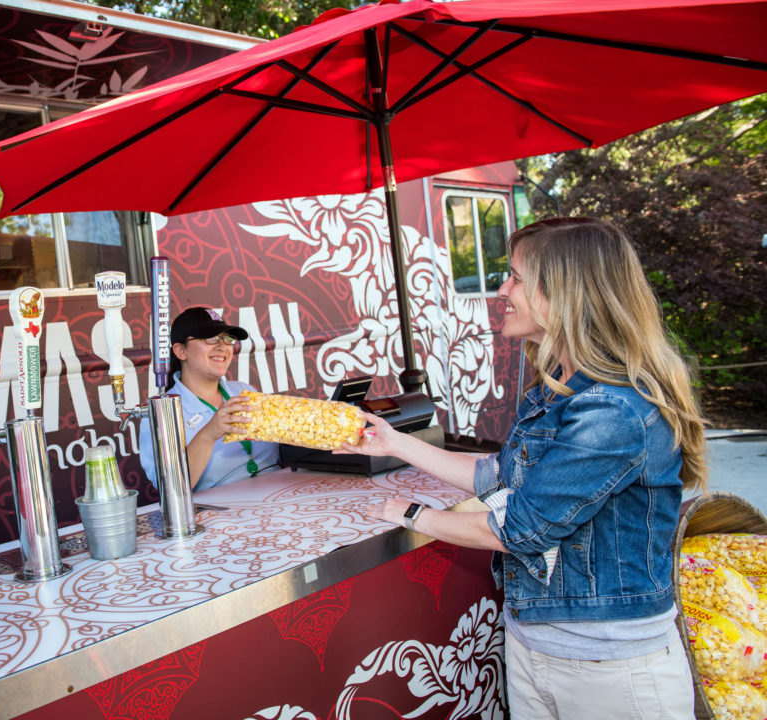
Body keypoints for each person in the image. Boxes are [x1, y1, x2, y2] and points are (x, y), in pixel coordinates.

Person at [338, 217, 705, 719]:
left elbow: (523, 527)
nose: (501, 289)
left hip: (609, 667)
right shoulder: (559, 385)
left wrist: (412, 515)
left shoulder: (613, 409)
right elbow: (499, 474)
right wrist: (393, 442)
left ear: (564, 291)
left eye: (514, 276)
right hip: (537, 645)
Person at [139, 307, 280, 491]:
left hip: (281, 499)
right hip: (221, 514)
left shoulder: (244, 391)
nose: (222, 346)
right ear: (181, 351)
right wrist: (209, 434)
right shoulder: (161, 412)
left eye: (227, 339)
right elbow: (170, 489)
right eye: (210, 338)